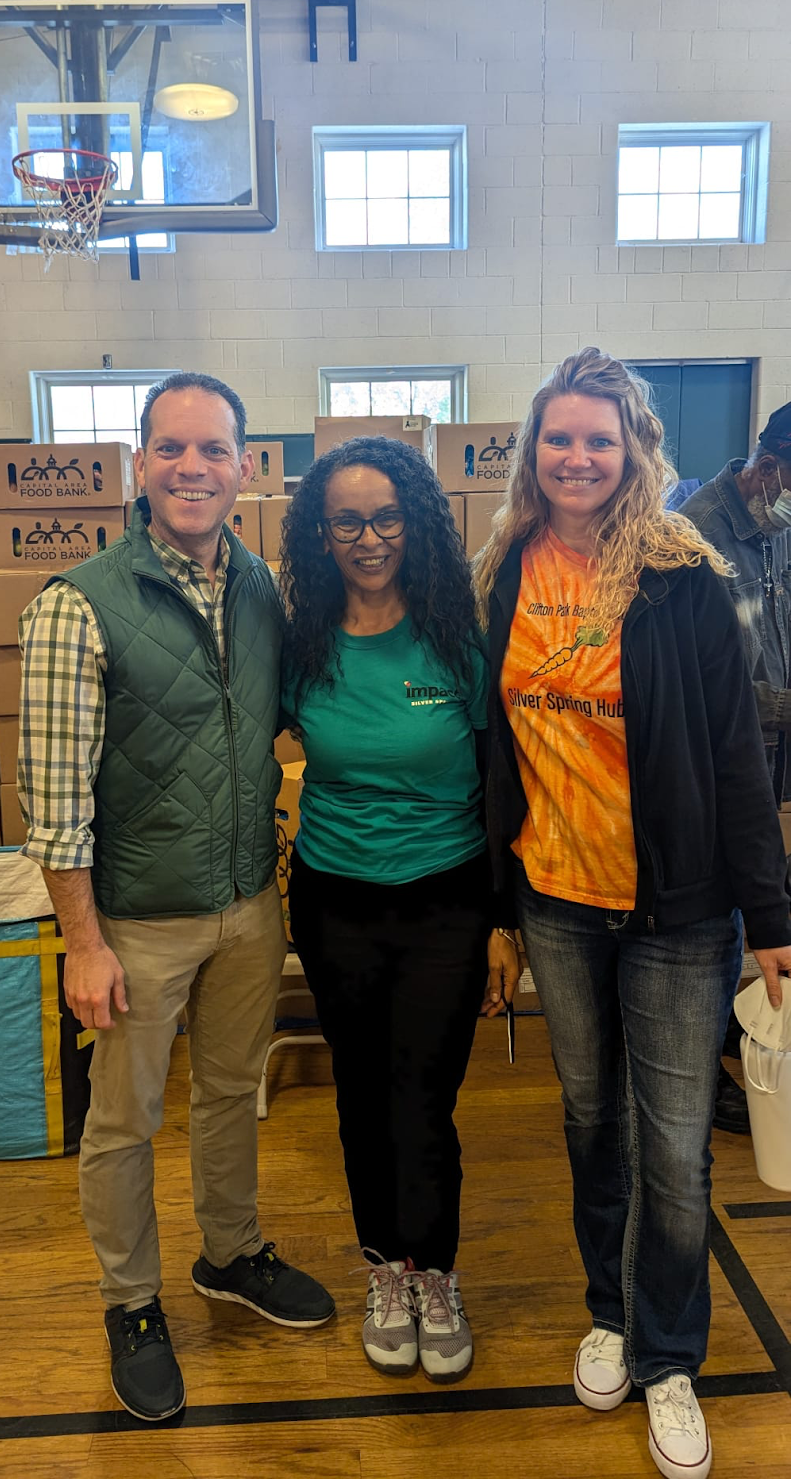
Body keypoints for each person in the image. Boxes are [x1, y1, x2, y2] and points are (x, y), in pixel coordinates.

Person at [473, 347, 791, 1479]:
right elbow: (492, 745)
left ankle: (668, 1357)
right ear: (533, 452)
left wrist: (771, 913)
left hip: (675, 914)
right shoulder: (506, 566)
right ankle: (608, 1307)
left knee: (672, 1144)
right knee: (589, 1123)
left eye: (599, 440)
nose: (578, 457)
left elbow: (740, 761)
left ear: (634, 452)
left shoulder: (681, 574)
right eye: (559, 438)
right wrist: (497, 909)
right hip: (554, 901)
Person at [18, 371, 334, 1425]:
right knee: (124, 1122)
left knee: (233, 1093)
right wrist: (84, 943)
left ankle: (231, 1252)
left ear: (247, 470)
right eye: (173, 448)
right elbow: (55, 801)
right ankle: (133, 1303)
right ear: (138, 464)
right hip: (137, 923)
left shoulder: (258, 587)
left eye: (215, 450)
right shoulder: (77, 605)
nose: (194, 467)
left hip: (249, 903)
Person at [280, 435, 518, 1384]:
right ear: (321, 531)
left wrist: (506, 924)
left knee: (424, 1098)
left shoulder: (460, 636)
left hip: (446, 902)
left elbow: (504, 789)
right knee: (359, 1092)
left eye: (386, 517)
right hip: (333, 899)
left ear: (415, 523)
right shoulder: (299, 641)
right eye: (348, 520)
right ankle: (386, 1268)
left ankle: (436, 1272)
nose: (369, 537)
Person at [679, 409, 791, 1132]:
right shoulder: (696, 539)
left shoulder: (776, 528)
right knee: (718, 918)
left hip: (773, 757)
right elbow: (693, 685)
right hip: (716, 765)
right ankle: (703, 1063)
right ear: (771, 464)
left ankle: (730, 1028)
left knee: (762, 898)